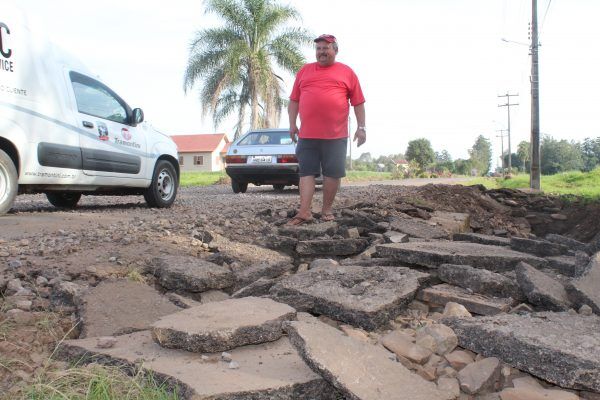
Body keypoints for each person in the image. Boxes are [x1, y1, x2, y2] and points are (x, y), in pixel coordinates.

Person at [287, 33, 366, 225]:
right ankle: (304, 211)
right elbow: (294, 100)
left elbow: (358, 103)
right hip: (307, 134)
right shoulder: (304, 71)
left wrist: (361, 127)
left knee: (332, 173)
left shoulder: (347, 72)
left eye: (326, 48)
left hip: (336, 135)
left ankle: (326, 210)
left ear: (335, 51)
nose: (321, 52)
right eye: (319, 49)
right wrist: (292, 124)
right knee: (306, 172)